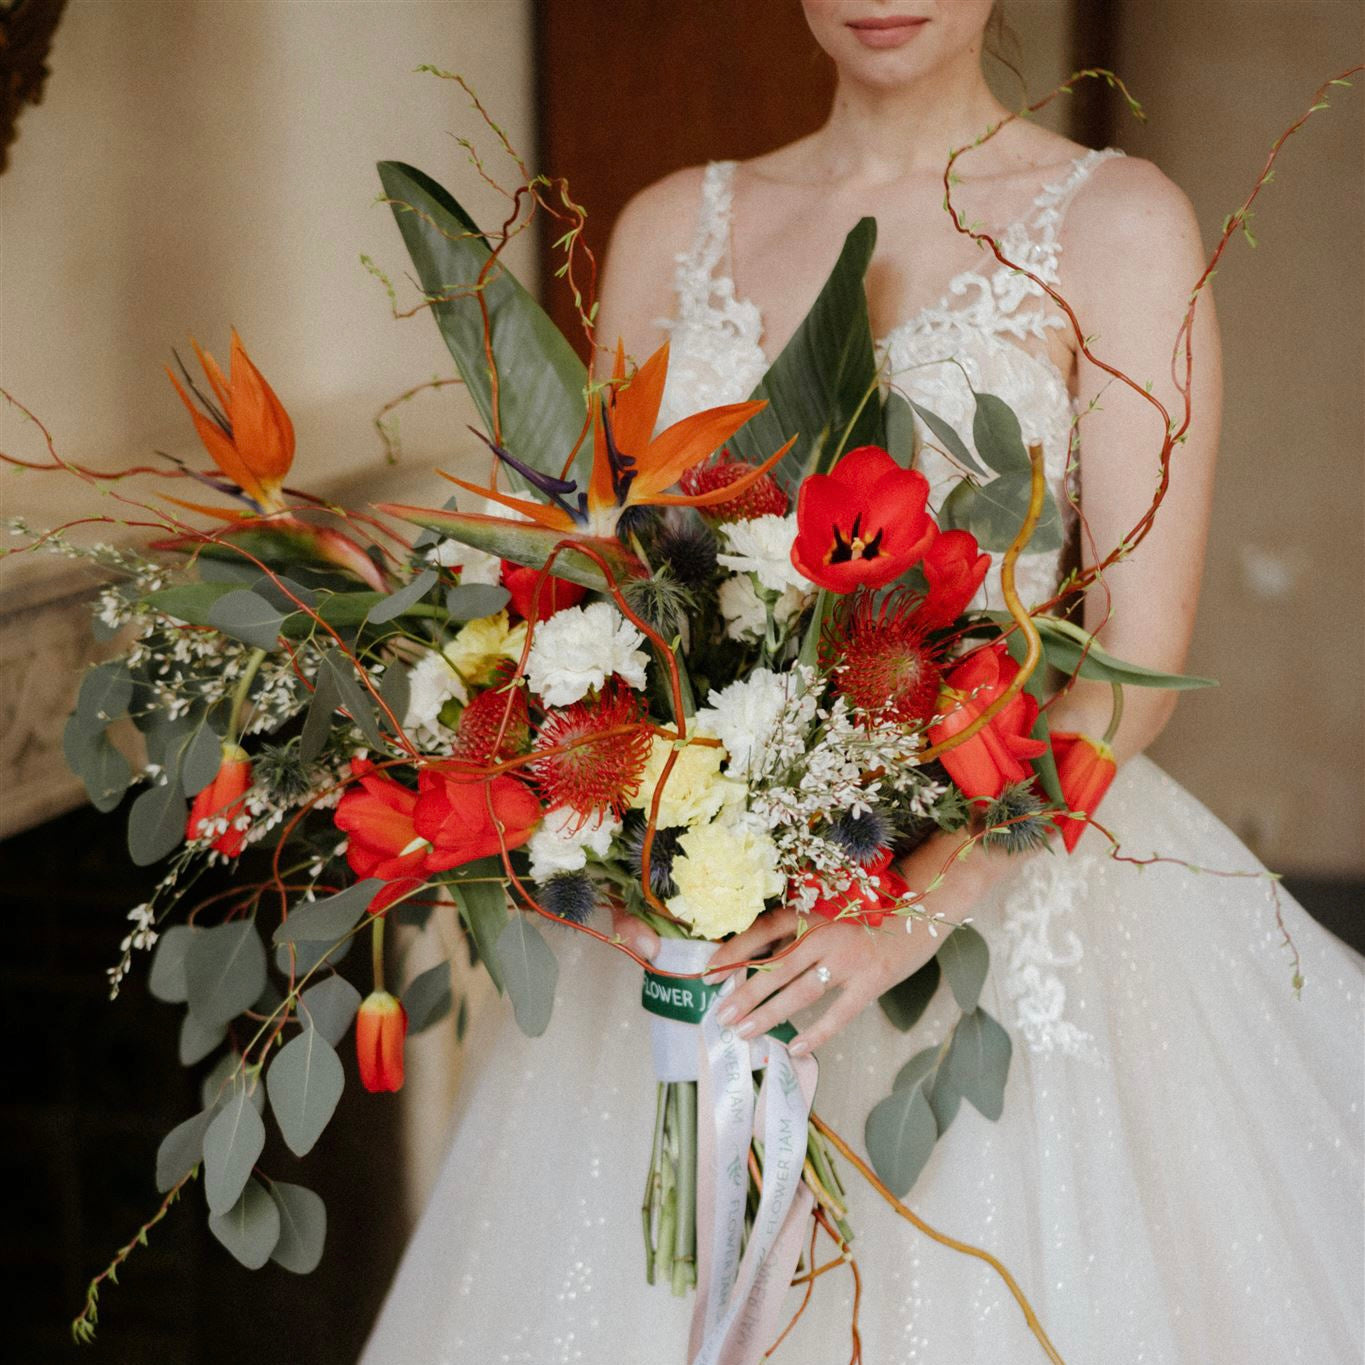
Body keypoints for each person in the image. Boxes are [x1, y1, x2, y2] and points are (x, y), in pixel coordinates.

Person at [361, 3, 1363, 1360]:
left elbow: (1136, 668)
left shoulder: (1118, 226)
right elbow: (600, 595)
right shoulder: (669, 227)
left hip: (995, 905)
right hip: (697, 937)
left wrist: (907, 913)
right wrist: (595, 846)